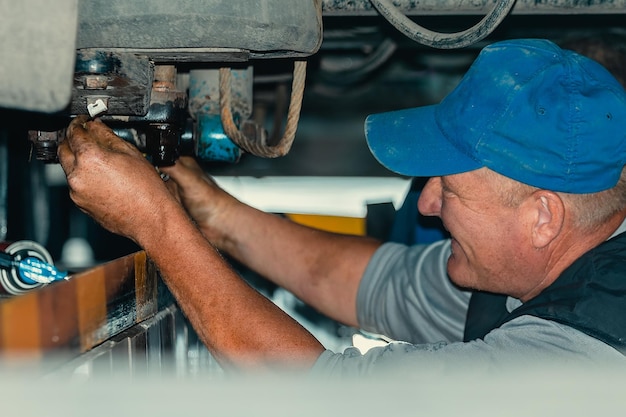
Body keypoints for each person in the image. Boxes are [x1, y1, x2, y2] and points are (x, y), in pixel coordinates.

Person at [58, 38, 626, 376]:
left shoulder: (578, 360)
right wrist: (209, 211)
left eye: (449, 189)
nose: (426, 205)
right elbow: (369, 283)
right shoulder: (533, 272)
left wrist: (156, 224)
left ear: (544, 218)